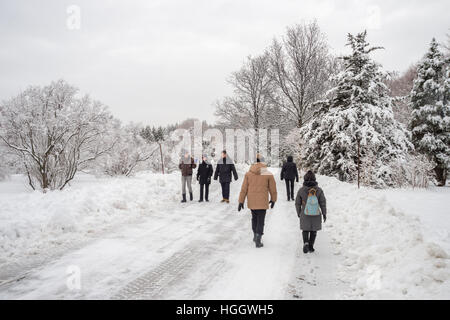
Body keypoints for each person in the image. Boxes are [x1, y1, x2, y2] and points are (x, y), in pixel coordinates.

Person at [238, 154, 277, 248]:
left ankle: (255, 234)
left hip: (252, 201)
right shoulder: (268, 174)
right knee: (261, 220)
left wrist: (241, 201)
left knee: (254, 218)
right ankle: (258, 237)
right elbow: (273, 188)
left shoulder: (248, 173)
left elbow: (244, 189)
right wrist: (273, 199)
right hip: (263, 201)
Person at [295, 170, 327, 253]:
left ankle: (306, 242)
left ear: (305, 179)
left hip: (305, 213)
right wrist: (324, 213)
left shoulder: (301, 190)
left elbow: (297, 203)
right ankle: (311, 246)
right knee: (314, 230)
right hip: (316, 213)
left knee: (305, 229)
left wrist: (299, 212)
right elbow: (322, 202)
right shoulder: (319, 190)